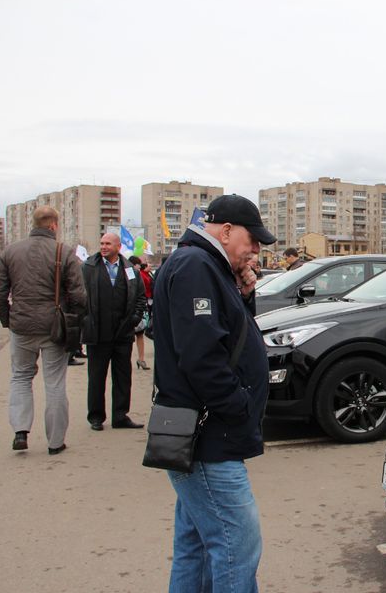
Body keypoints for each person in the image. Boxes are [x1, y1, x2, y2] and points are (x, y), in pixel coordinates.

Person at [153, 194, 274, 592]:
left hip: (206, 431)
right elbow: (202, 357)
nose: (256, 249)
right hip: (208, 436)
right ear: (225, 231)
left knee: (196, 545)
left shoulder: (208, 265)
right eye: (252, 239)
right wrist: (238, 406)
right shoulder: (195, 265)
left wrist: (242, 294)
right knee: (236, 544)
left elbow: (230, 335)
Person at [0, 206, 86, 454]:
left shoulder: (10, 251)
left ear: (33, 224)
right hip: (54, 325)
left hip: (21, 324)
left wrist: (7, 320)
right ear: (54, 225)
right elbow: (78, 295)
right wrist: (74, 319)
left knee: (21, 377)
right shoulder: (63, 252)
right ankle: (55, 442)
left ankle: (20, 430)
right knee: (54, 382)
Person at [81, 233, 147, 431]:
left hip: (122, 333)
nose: (103, 246)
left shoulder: (130, 269)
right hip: (97, 332)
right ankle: (96, 417)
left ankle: (120, 415)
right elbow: (78, 294)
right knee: (96, 377)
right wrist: (85, 320)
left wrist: (135, 318)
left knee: (123, 377)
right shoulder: (88, 267)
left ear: (118, 247)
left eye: (107, 243)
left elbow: (140, 297)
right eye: (101, 243)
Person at [128, 255, 153, 370]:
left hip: (138, 309)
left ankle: (141, 359)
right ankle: (139, 359)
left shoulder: (139, 274)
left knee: (139, 334)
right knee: (135, 336)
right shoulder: (131, 273)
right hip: (132, 310)